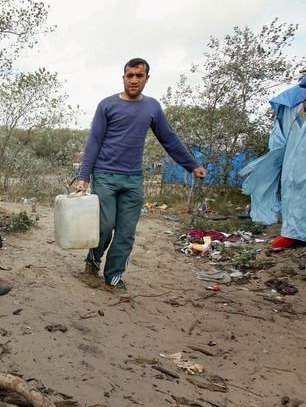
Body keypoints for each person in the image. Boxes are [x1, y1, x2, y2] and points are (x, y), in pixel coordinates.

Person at [74, 58, 207, 290]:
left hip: (133, 178)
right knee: (104, 227)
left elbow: (169, 139)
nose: (134, 80)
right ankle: (93, 260)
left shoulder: (152, 107)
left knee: (126, 233)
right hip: (105, 175)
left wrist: (191, 165)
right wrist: (84, 176)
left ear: (146, 78)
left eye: (139, 75)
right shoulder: (107, 105)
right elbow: (94, 141)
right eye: (130, 75)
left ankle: (113, 276)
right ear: (123, 77)